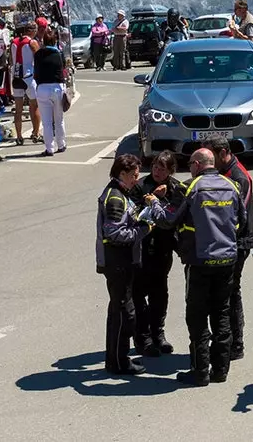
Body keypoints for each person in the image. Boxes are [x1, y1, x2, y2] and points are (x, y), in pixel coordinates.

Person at [144, 148, 245, 386]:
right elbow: (242, 222)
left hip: (200, 261)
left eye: (190, 164)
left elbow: (168, 221)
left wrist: (155, 203)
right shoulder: (232, 186)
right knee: (221, 313)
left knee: (197, 317)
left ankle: (200, 372)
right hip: (227, 259)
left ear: (198, 165)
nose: (188, 168)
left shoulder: (193, 187)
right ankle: (220, 371)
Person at [96, 154, 148, 375]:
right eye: (134, 175)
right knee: (123, 313)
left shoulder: (121, 193)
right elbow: (115, 233)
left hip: (122, 261)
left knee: (122, 311)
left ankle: (116, 359)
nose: (137, 179)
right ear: (123, 173)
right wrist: (144, 229)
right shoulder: (116, 198)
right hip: (117, 261)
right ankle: (118, 361)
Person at [135, 151, 185, 357]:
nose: (157, 171)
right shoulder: (140, 186)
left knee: (160, 295)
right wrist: (152, 198)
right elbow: (135, 212)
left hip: (163, 250)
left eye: (162, 168)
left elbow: (179, 213)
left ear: (170, 171)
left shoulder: (176, 188)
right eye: (155, 166)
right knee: (138, 295)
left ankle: (158, 334)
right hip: (141, 250)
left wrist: (166, 197)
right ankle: (143, 338)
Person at [212, 142, 253, 361]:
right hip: (231, 241)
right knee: (227, 291)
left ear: (223, 153)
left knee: (231, 291)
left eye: (213, 157)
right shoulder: (224, 171)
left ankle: (235, 344)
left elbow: (236, 214)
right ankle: (229, 341)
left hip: (239, 242)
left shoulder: (238, 177)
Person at [32, 26, 68, 154]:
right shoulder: (59, 54)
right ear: (54, 41)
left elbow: (35, 73)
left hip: (42, 88)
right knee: (59, 119)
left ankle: (49, 148)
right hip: (57, 87)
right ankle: (61, 144)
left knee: (46, 122)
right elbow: (63, 68)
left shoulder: (38, 55)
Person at [10, 26, 40, 146]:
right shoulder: (32, 42)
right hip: (29, 77)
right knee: (34, 106)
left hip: (16, 77)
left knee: (18, 109)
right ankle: (36, 133)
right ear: (31, 31)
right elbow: (39, 59)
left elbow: (11, 61)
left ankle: (19, 136)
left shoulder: (14, 42)